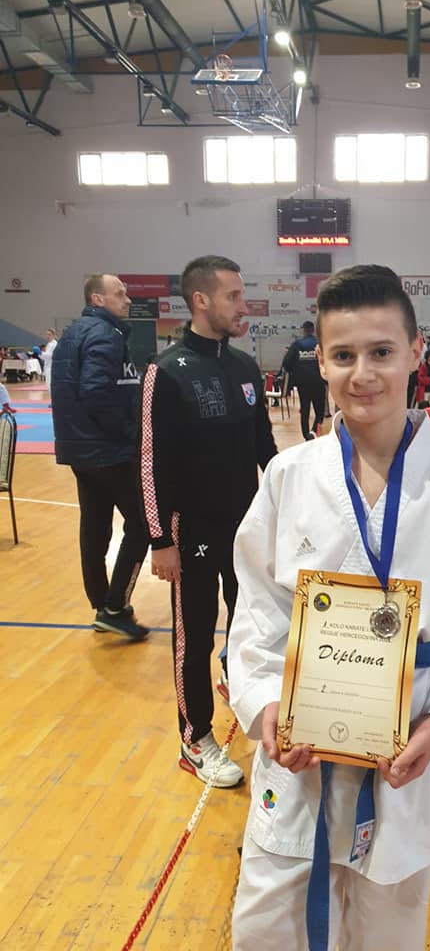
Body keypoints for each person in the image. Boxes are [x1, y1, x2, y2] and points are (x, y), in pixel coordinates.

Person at [227, 264, 430, 951]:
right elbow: (259, 610)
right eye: (343, 355)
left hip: (409, 744)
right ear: (320, 361)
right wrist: (266, 704)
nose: (362, 374)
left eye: (381, 352)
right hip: (301, 747)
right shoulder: (289, 476)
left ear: (416, 352)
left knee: (389, 926)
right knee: (269, 929)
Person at [139, 255, 277, 788]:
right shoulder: (166, 371)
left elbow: (265, 446)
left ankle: (240, 688)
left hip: (246, 530)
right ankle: (195, 738)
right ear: (201, 300)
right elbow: (150, 461)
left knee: (252, 624)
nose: (244, 306)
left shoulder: (244, 367)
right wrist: (160, 540)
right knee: (192, 641)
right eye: (234, 296)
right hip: (191, 532)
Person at [51, 274, 148, 639]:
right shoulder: (105, 335)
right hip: (107, 449)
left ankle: (101, 603)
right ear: (97, 299)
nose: (128, 299)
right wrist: (130, 434)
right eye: (119, 293)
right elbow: (95, 392)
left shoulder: (73, 334)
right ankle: (115, 606)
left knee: (94, 527)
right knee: (143, 524)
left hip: (80, 450)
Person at [282, 321, 327, 441]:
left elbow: (286, 363)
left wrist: (296, 372)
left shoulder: (297, 345)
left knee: (305, 409)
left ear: (304, 330)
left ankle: (306, 435)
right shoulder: (320, 345)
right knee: (319, 411)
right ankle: (314, 431)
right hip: (318, 381)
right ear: (313, 330)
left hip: (302, 383)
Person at [41, 328, 58, 396]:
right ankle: (54, 400)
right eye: (46, 334)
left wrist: (40, 353)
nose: (47, 336)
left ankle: (54, 400)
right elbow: (46, 357)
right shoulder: (50, 343)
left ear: (54, 335)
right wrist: (40, 354)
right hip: (50, 366)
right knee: (50, 385)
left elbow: (49, 356)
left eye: (49, 334)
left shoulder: (52, 344)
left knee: (50, 385)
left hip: (51, 367)